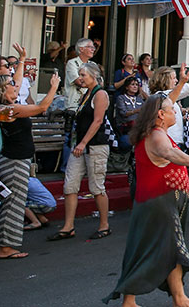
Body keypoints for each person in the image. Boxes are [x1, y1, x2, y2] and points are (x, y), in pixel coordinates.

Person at [103, 94, 189, 307]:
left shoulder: (158, 134)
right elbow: (166, 152)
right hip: (158, 203)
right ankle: (177, 299)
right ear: (161, 114)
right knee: (172, 250)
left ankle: (134, 301)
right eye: (171, 109)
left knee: (158, 250)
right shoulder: (156, 136)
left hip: (162, 203)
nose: (175, 112)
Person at [0, 72, 60, 259]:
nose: (16, 85)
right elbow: (42, 106)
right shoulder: (9, 109)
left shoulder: (6, 107)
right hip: (13, 161)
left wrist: (22, 60)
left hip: (14, 159)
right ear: (2, 89)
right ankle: (6, 247)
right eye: (11, 84)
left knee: (9, 202)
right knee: (13, 205)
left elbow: (17, 82)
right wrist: (54, 87)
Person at [49, 62, 112, 242]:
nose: (81, 78)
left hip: (95, 146)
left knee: (96, 186)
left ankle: (104, 224)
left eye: (83, 75)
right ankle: (68, 226)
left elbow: (98, 120)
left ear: (93, 75)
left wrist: (83, 143)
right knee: (70, 184)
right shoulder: (85, 95)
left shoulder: (100, 94)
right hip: (80, 145)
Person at [114, 77, 145, 149]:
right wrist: (136, 111)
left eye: (137, 85)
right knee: (126, 141)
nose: (135, 86)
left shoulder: (139, 99)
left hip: (138, 128)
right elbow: (123, 113)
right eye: (132, 84)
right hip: (125, 129)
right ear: (126, 87)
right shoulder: (121, 98)